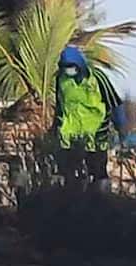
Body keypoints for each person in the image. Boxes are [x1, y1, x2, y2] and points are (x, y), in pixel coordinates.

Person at [51, 46, 126, 189]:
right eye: (66, 67)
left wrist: (121, 127)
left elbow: (115, 103)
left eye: (72, 67)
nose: (69, 70)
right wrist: (55, 129)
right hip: (69, 137)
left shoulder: (98, 78)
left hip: (96, 136)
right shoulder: (61, 79)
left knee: (98, 175)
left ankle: (100, 203)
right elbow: (60, 106)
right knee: (68, 176)